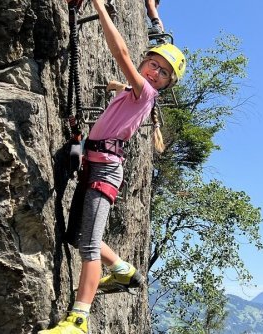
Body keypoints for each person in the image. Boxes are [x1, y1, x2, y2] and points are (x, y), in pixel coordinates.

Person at [39, 0, 186, 332]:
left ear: (164, 85)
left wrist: (100, 7)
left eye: (163, 73)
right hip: (98, 165)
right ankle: (122, 270)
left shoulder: (145, 92)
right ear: (146, 61)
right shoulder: (138, 93)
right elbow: (130, 88)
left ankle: (77, 321)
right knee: (79, 236)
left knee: (88, 245)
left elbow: (120, 52)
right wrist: (118, 88)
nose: (155, 72)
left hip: (105, 171)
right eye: (153, 64)